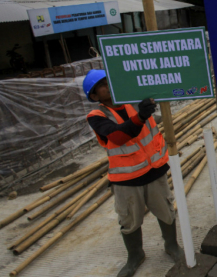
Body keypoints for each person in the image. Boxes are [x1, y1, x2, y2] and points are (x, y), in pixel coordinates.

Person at [83, 69, 183, 277]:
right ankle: (135, 255)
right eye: (101, 85)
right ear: (94, 96)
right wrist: (140, 117)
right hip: (126, 179)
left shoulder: (135, 100)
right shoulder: (97, 116)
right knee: (129, 219)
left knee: (166, 209)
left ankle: (171, 245)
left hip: (154, 170)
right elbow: (118, 136)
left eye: (107, 79)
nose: (107, 84)